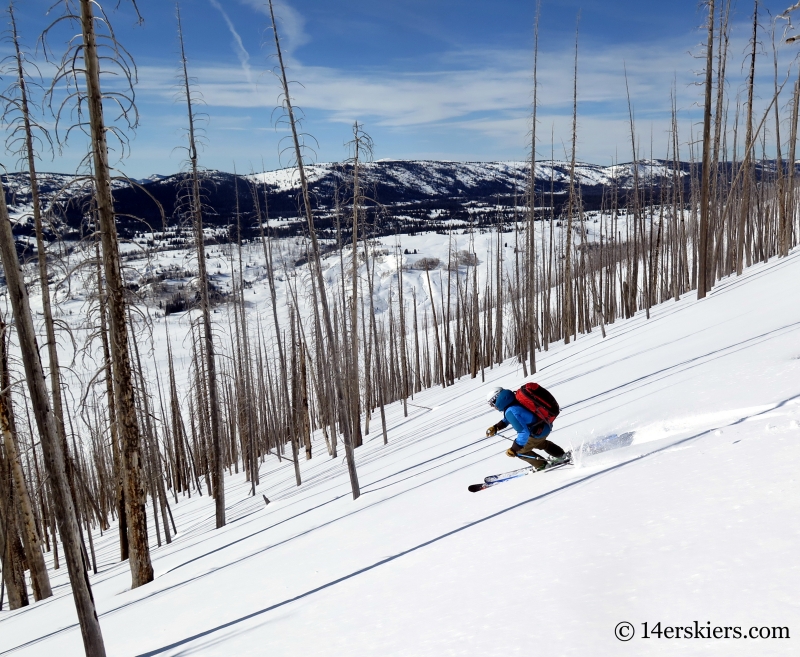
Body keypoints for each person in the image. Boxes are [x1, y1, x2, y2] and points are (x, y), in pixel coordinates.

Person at [485, 386, 569, 470]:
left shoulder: (510, 411)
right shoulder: (515, 400)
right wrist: (496, 427)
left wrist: (514, 449)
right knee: (540, 443)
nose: (494, 407)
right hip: (544, 425)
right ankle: (561, 455)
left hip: (537, 433)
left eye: (493, 404)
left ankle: (542, 465)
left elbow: (523, 432)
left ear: (497, 399)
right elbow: (513, 417)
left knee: (520, 451)